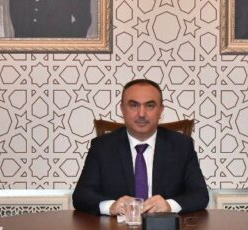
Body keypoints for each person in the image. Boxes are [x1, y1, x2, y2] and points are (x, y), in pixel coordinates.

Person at [72, 78, 209, 216]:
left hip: (163, 227)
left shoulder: (182, 146)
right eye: (133, 105)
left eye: (150, 106)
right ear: (122, 109)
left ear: (161, 110)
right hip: (115, 228)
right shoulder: (102, 147)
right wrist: (111, 206)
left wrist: (169, 205)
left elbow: (200, 194)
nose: (141, 114)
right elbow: (81, 195)